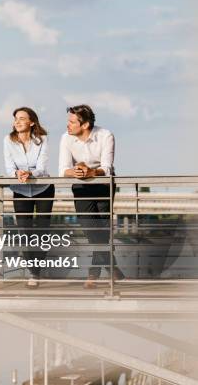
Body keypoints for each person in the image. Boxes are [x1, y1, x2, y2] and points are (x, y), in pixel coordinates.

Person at [59, 104, 124, 289]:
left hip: (103, 185)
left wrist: (91, 171)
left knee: (101, 232)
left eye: (72, 122)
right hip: (81, 186)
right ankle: (113, 269)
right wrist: (78, 172)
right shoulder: (66, 138)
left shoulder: (105, 135)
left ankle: (93, 273)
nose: (68, 125)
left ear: (85, 124)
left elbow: (108, 167)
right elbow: (63, 170)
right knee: (91, 232)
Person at [3, 107, 54, 289]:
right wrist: (18, 173)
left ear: (32, 122)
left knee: (42, 232)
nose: (17, 121)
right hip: (21, 190)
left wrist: (30, 173)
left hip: (43, 188)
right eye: (15, 118)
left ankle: (37, 270)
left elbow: (42, 166)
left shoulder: (42, 140)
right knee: (24, 233)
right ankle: (33, 270)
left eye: (22, 118)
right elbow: (9, 167)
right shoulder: (8, 140)